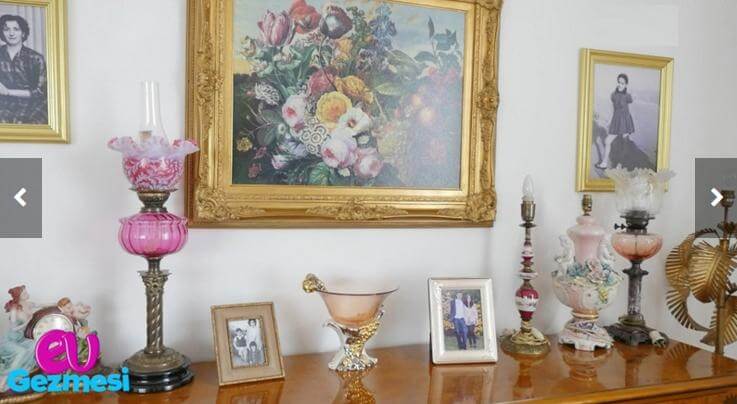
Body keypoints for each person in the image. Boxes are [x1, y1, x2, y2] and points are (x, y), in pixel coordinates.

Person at [0, 14, 48, 124]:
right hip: (3, 105)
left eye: (16, 29)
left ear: (23, 33)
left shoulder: (36, 58)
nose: (11, 33)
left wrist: (8, 92)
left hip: (31, 105)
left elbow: (41, 92)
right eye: (6, 29)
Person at [0, 286, 37, 392]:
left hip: (21, 339)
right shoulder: (14, 309)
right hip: (10, 340)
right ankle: (4, 379)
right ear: (19, 296)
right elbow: (13, 329)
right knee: (21, 352)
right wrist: (28, 321)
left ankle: (19, 373)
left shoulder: (28, 304)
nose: (27, 294)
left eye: (26, 292)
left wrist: (60, 305)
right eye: (24, 293)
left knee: (34, 344)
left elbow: (42, 305)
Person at [596, 73, 634, 170]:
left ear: (626, 84)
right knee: (607, 141)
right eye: (619, 82)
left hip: (625, 121)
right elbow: (612, 109)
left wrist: (627, 121)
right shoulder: (613, 95)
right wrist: (609, 120)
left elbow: (629, 105)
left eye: (622, 83)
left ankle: (620, 164)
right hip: (616, 121)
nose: (620, 85)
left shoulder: (628, 96)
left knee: (624, 142)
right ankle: (604, 163)